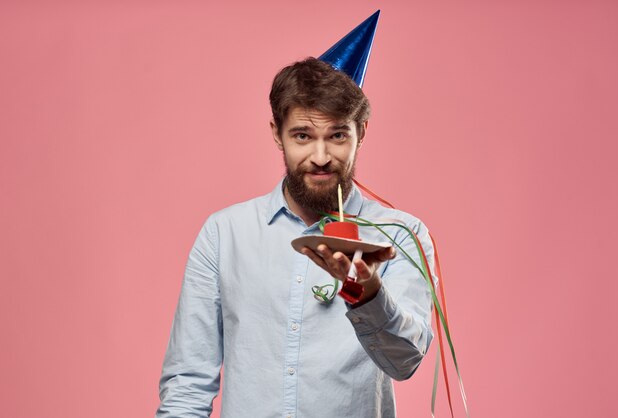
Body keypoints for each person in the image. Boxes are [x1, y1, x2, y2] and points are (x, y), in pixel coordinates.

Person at [155, 56, 437, 418]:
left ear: (361, 133)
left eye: (337, 135)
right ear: (277, 133)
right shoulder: (225, 234)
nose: (320, 157)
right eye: (302, 136)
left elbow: (405, 361)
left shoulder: (401, 236)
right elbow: (187, 383)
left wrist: (366, 293)